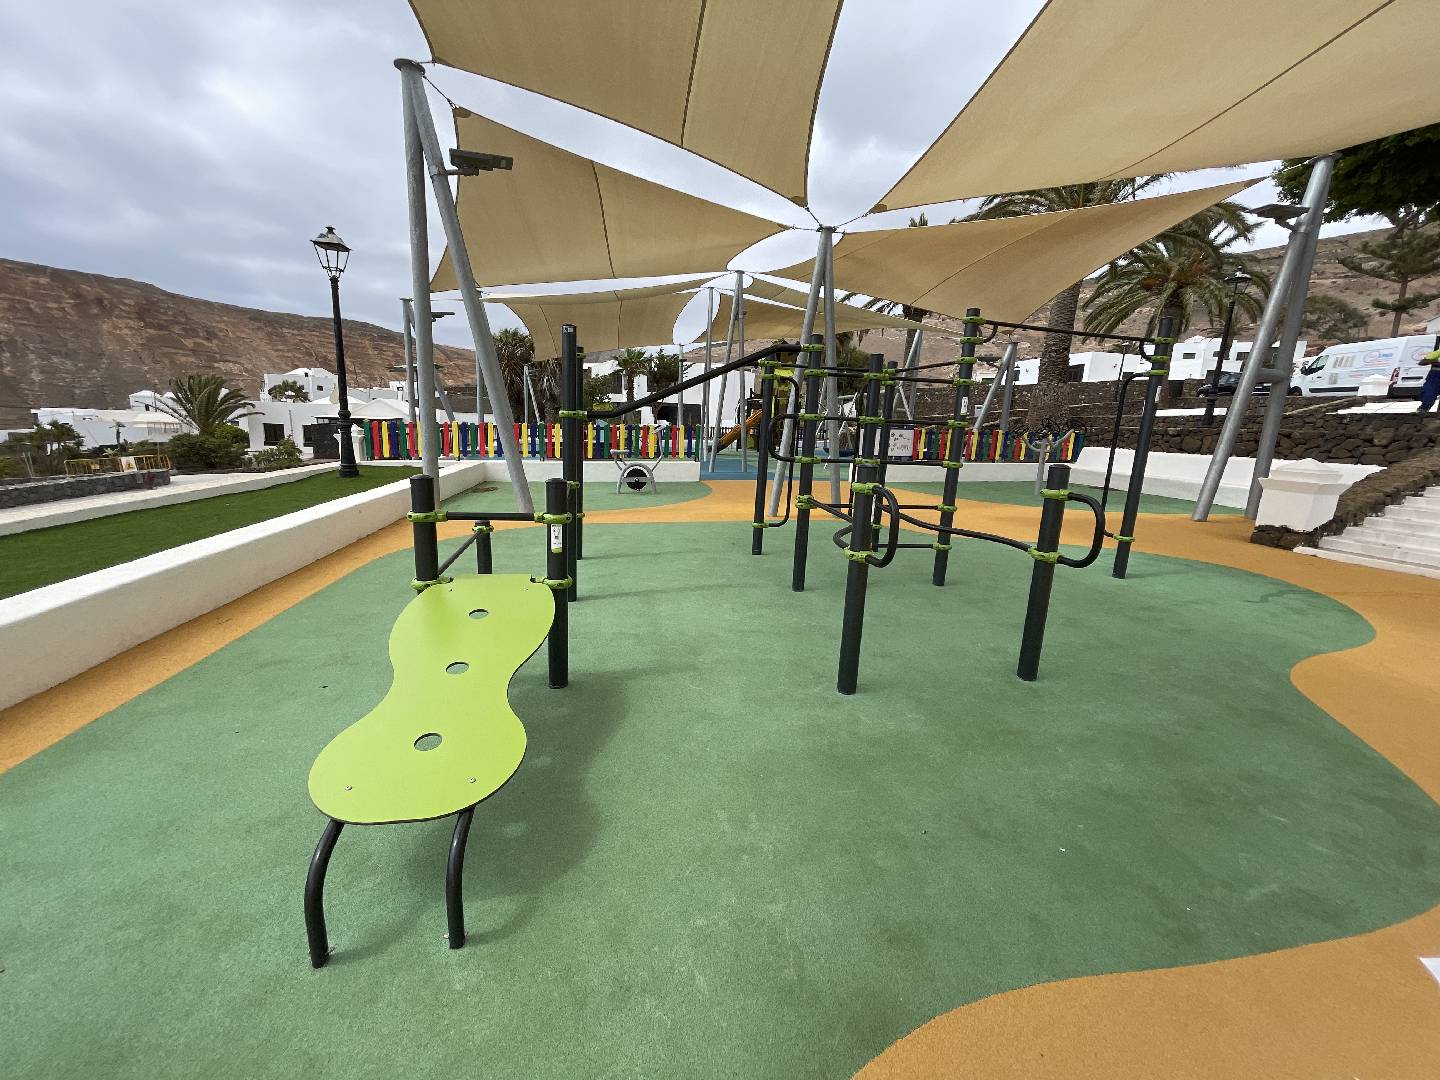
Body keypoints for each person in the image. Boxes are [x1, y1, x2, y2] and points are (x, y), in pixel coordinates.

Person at [1419, 337, 1440, 413]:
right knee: (1429, 395)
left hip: (1435, 376)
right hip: (1435, 376)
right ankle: (1422, 411)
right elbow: (1422, 362)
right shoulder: (1438, 352)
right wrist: (1436, 361)